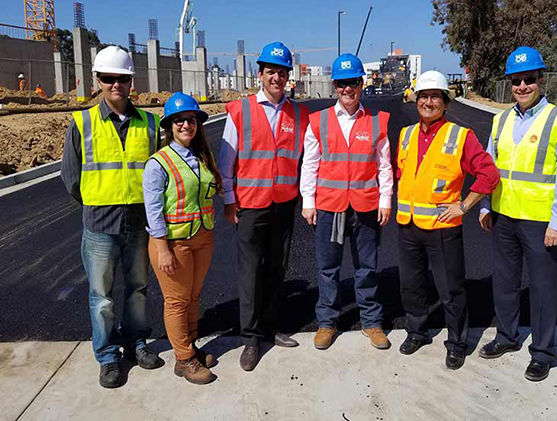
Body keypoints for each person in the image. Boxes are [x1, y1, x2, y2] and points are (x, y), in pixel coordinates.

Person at [478, 46, 557, 382]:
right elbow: (487, 168)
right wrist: (484, 204)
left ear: (541, 80)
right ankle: (507, 337)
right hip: (504, 215)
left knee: (541, 287)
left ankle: (543, 352)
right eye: (516, 80)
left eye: (529, 79)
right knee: (505, 283)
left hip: (540, 222)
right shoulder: (500, 120)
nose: (522, 86)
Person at [60, 46, 163, 389]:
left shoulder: (149, 123)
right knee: (101, 296)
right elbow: (71, 178)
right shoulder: (82, 122)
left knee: (138, 288)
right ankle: (107, 356)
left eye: (122, 78)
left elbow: (157, 173)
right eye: (108, 78)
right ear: (98, 81)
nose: (115, 84)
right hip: (100, 225)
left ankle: (136, 343)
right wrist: (95, 204)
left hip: (138, 223)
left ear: (131, 81)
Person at [395, 71, 500, 370]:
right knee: (411, 286)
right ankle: (417, 331)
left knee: (451, 289)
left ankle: (456, 343)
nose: (428, 102)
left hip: (442, 229)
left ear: (445, 102)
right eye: (424, 96)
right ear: (417, 100)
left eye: (435, 97)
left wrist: (464, 206)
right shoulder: (405, 135)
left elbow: (489, 175)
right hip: (408, 226)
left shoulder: (460, 136)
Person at [218, 42, 310, 372]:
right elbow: (226, 160)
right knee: (250, 272)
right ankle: (251, 338)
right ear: (260, 74)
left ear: (288, 76)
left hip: (283, 203)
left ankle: (272, 327)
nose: (277, 77)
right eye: (271, 71)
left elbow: (308, 159)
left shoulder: (299, 114)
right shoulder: (240, 111)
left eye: (282, 72)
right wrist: (229, 200)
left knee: (277, 268)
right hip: (250, 205)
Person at [301, 53, 393, 351]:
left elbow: (384, 165)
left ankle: (371, 321)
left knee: (366, 267)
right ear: (335, 86)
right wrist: (308, 201)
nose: (347, 90)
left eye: (352, 83)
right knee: (328, 269)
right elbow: (310, 164)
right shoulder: (319, 121)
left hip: (366, 206)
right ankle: (327, 322)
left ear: (361, 84)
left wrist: (386, 199)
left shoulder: (377, 121)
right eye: (341, 84)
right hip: (329, 206)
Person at [143, 92, 222, 385]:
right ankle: (183, 359)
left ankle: (189, 346)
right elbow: (153, 211)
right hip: (174, 244)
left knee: (194, 296)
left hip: (202, 236)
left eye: (191, 120)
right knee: (176, 300)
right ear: (169, 126)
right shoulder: (158, 163)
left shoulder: (203, 155)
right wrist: (161, 249)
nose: (186, 125)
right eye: (179, 121)